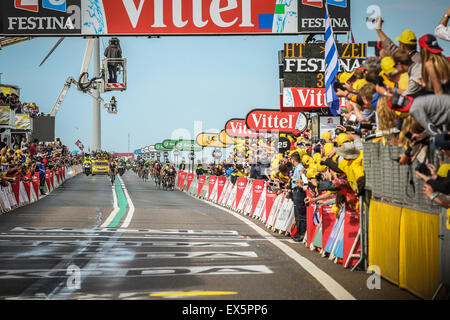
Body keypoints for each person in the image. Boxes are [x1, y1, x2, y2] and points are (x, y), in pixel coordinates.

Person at [290, 152, 307, 242]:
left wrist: (297, 183)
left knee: (300, 214)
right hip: (296, 191)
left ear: (293, 159)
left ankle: (301, 233)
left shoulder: (300, 168)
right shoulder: (297, 168)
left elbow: (302, 181)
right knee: (297, 214)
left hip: (299, 191)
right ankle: (299, 232)